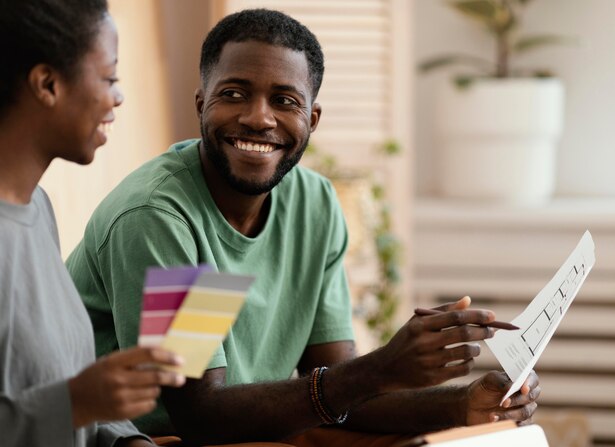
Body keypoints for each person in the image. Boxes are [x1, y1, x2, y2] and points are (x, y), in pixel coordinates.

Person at [66, 8, 540, 446]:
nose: (257, 117)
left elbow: (335, 392)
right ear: (200, 104)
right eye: (233, 94)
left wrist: (463, 403)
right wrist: (382, 368)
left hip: (254, 428)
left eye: (284, 100)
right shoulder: (161, 217)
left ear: (311, 119)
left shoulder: (315, 205)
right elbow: (199, 414)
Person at [0, 1, 188, 446]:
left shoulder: (37, 210)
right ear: (47, 84)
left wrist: (128, 439)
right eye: (109, 78)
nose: (118, 96)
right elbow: (69, 399)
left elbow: (68, 388)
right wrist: (75, 403)